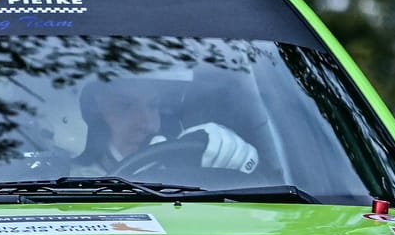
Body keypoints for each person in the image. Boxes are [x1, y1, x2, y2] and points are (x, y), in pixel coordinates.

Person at [71, 73, 259, 177]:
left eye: (154, 106)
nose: (147, 124)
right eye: (125, 106)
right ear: (94, 114)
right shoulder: (60, 181)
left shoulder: (190, 173)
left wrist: (229, 153)